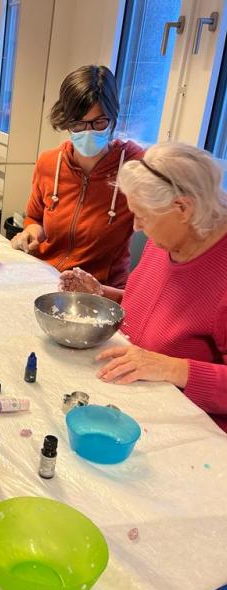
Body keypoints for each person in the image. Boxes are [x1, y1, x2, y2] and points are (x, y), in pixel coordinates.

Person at [59, 142, 227, 432]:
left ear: (183, 208)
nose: (136, 227)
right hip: (133, 391)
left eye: (144, 216)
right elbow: (156, 308)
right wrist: (101, 294)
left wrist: (171, 368)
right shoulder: (168, 240)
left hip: (189, 427)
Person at [11, 65, 143, 288]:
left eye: (99, 122)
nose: (88, 131)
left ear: (113, 117)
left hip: (99, 291)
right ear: (65, 120)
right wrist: (31, 234)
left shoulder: (135, 167)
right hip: (46, 278)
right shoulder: (49, 163)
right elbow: (35, 218)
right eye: (78, 124)